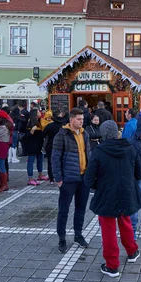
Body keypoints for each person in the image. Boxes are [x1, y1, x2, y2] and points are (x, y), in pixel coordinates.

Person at [85, 120, 141, 278]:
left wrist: (100, 185)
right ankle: (132, 252)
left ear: (103, 134)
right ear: (117, 132)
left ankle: (112, 265)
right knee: (126, 223)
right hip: (126, 192)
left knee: (108, 229)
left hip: (107, 195)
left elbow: (89, 179)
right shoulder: (129, 147)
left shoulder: (99, 151)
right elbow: (139, 172)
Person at [52, 108, 91, 254]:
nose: (82, 121)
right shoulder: (62, 135)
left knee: (81, 208)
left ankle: (78, 234)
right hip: (68, 178)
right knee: (64, 209)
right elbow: (55, 158)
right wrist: (59, 178)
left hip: (83, 178)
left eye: (82, 119)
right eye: (79, 119)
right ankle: (62, 238)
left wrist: (90, 174)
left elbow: (89, 154)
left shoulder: (84, 133)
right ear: (71, 119)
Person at [23, 109, 47, 185]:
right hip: (32, 145)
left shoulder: (40, 121)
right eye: (38, 112)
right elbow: (27, 136)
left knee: (40, 159)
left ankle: (40, 174)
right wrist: (32, 131)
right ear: (35, 114)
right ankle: (30, 178)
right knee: (31, 161)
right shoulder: (30, 123)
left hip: (39, 145)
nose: (40, 113)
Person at [0, 114, 12, 192]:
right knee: (1, 165)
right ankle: (2, 183)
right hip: (1, 146)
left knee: (1, 166)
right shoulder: (5, 126)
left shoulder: (2, 127)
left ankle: (4, 184)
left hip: (1, 146)